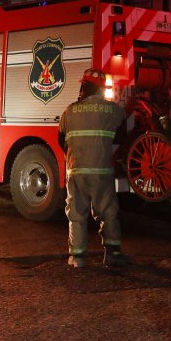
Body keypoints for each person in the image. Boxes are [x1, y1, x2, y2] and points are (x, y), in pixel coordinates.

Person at [57, 68, 129, 268]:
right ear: (100, 89)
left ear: (84, 87)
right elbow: (122, 135)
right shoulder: (113, 110)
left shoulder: (69, 111)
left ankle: (78, 258)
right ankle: (113, 254)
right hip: (102, 172)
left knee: (77, 215)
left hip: (76, 172)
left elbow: (60, 139)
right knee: (108, 213)